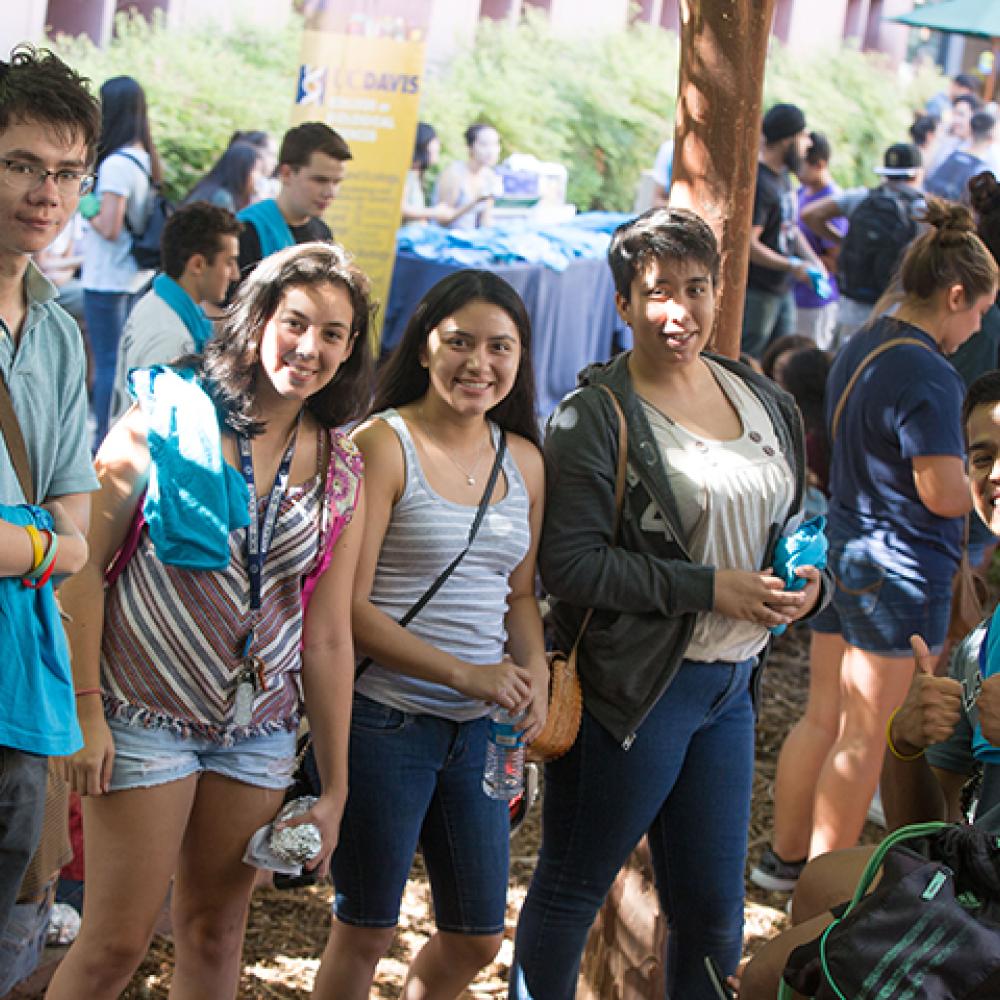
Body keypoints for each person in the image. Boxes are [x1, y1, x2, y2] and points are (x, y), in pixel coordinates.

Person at [509, 207, 827, 1000]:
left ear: (719, 292)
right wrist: (708, 587)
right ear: (622, 303)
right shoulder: (595, 417)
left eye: (696, 288)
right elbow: (572, 566)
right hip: (637, 690)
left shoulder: (760, 397)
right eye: (656, 292)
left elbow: (795, 516)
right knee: (572, 888)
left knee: (714, 916)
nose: (679, 311)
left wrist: (808, 578)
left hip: (731, 689)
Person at [46, 241, 372, 1000]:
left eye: (333, 333)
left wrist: (335, 787)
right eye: (296, 322)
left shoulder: (341, 465)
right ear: (258, 319)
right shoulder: (165, 412)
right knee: (116, 944)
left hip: (255, 730)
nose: (310, 347)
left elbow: (326, 634)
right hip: (140, 713)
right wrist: (87, 712)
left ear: (351, 349)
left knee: (215, 932)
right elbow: (82, 567)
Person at [751, 197, 998, 894]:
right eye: (979, 310)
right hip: (900, 571)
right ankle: (830, 893)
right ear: (954, 295)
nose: (978, 325)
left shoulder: (865, 338)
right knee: (871, 736)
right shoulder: (927, 372)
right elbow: (944, 492)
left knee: (822, 715)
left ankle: (783, 859)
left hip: (847, 550)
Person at [312, 270, 548, 1000]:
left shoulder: (527, 460)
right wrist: (463, 672)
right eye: (460, 343)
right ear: (423, 347)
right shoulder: (381, 444)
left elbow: (519, 594)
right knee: (366, 928)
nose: (479, 364)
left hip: (481, 734)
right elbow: (346, 608)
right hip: (385, 721)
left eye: (499, 347)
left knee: (478, 936)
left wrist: (533, 671)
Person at [740, 367, 1000, 1000]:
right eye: (982, 455)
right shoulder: (980, 644)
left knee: (775, 978)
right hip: (978, 882)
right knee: (813, 892)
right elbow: (924, 830)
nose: (992, 475)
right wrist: (906, 738)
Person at [0, 43, 100, 984]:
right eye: (22, 163)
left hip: (22, 679)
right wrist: (43, 540)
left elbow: (78, 520)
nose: (47, 190)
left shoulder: (60, 328)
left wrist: (32, 542)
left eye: (66, 172)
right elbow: (55, 537)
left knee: (14, 926)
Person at [80, 75, 162, 445]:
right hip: (132, 276)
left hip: (106, 278)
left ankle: (102, 442)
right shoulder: (144, 159)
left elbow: (110, 227)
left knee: (108, 363)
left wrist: (84, 206)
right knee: (118, 362)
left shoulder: (115, 164)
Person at [109, 201, 242, 423]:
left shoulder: (159, 302)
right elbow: (160, 433)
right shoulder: (170, 341)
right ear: (198, 264)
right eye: (229, 263)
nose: (235, 274)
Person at [800, 142, 925, 346]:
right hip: (895, 314)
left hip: (851, 310)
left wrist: (843, 240)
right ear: (917, 174)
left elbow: (810, 214)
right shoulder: (922, 210)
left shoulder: (861, 198)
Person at [742, 102, 827, 359]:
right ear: (787, 140)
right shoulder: (761, 182)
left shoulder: (784, 179)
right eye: (802, 137)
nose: (807, 145)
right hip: (758, 292)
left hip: (782, 289)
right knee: (750, 361)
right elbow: (750, 243)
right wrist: (791, 265)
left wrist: (811, 261)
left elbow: (790, 229)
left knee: (783, 359)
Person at [235, 122, 350, 281]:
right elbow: (215, 304)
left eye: (336, 182)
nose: (330, 192)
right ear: (287, 173)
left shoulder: (323, 233)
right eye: (319, 180)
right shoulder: (246, 230)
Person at [793, 132, 844, 349]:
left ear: (819, 164)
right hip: (793, 295)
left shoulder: (833, 203)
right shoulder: (799, 192)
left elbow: (835, 260)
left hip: (815, 299)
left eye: (801, 166)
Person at [401, 121, 488, 226]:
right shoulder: (407, 174)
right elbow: (399, 208)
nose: (438, 145)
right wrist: (434, 211)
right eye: (434, 140)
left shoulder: (416, 174)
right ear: (423, 144)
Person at [432, 123, 502, 229]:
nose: (491, 151)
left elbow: (485, 221)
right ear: (469, 147)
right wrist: (475, 201)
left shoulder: (490, 176)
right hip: (446, 238)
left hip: (470, 240)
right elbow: (442, 220)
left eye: (495, 144)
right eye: (484, 144)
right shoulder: (454, 174)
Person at [926, 110, 997, 206]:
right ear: (991, 137)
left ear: (970, 130)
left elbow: (929, 183)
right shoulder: (984, 170)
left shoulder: (950, 155)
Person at [183, 141, 264, 214]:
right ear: (241, 169)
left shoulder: (208, 189)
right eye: (256, 170)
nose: (259, 177)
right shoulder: (222, 199)